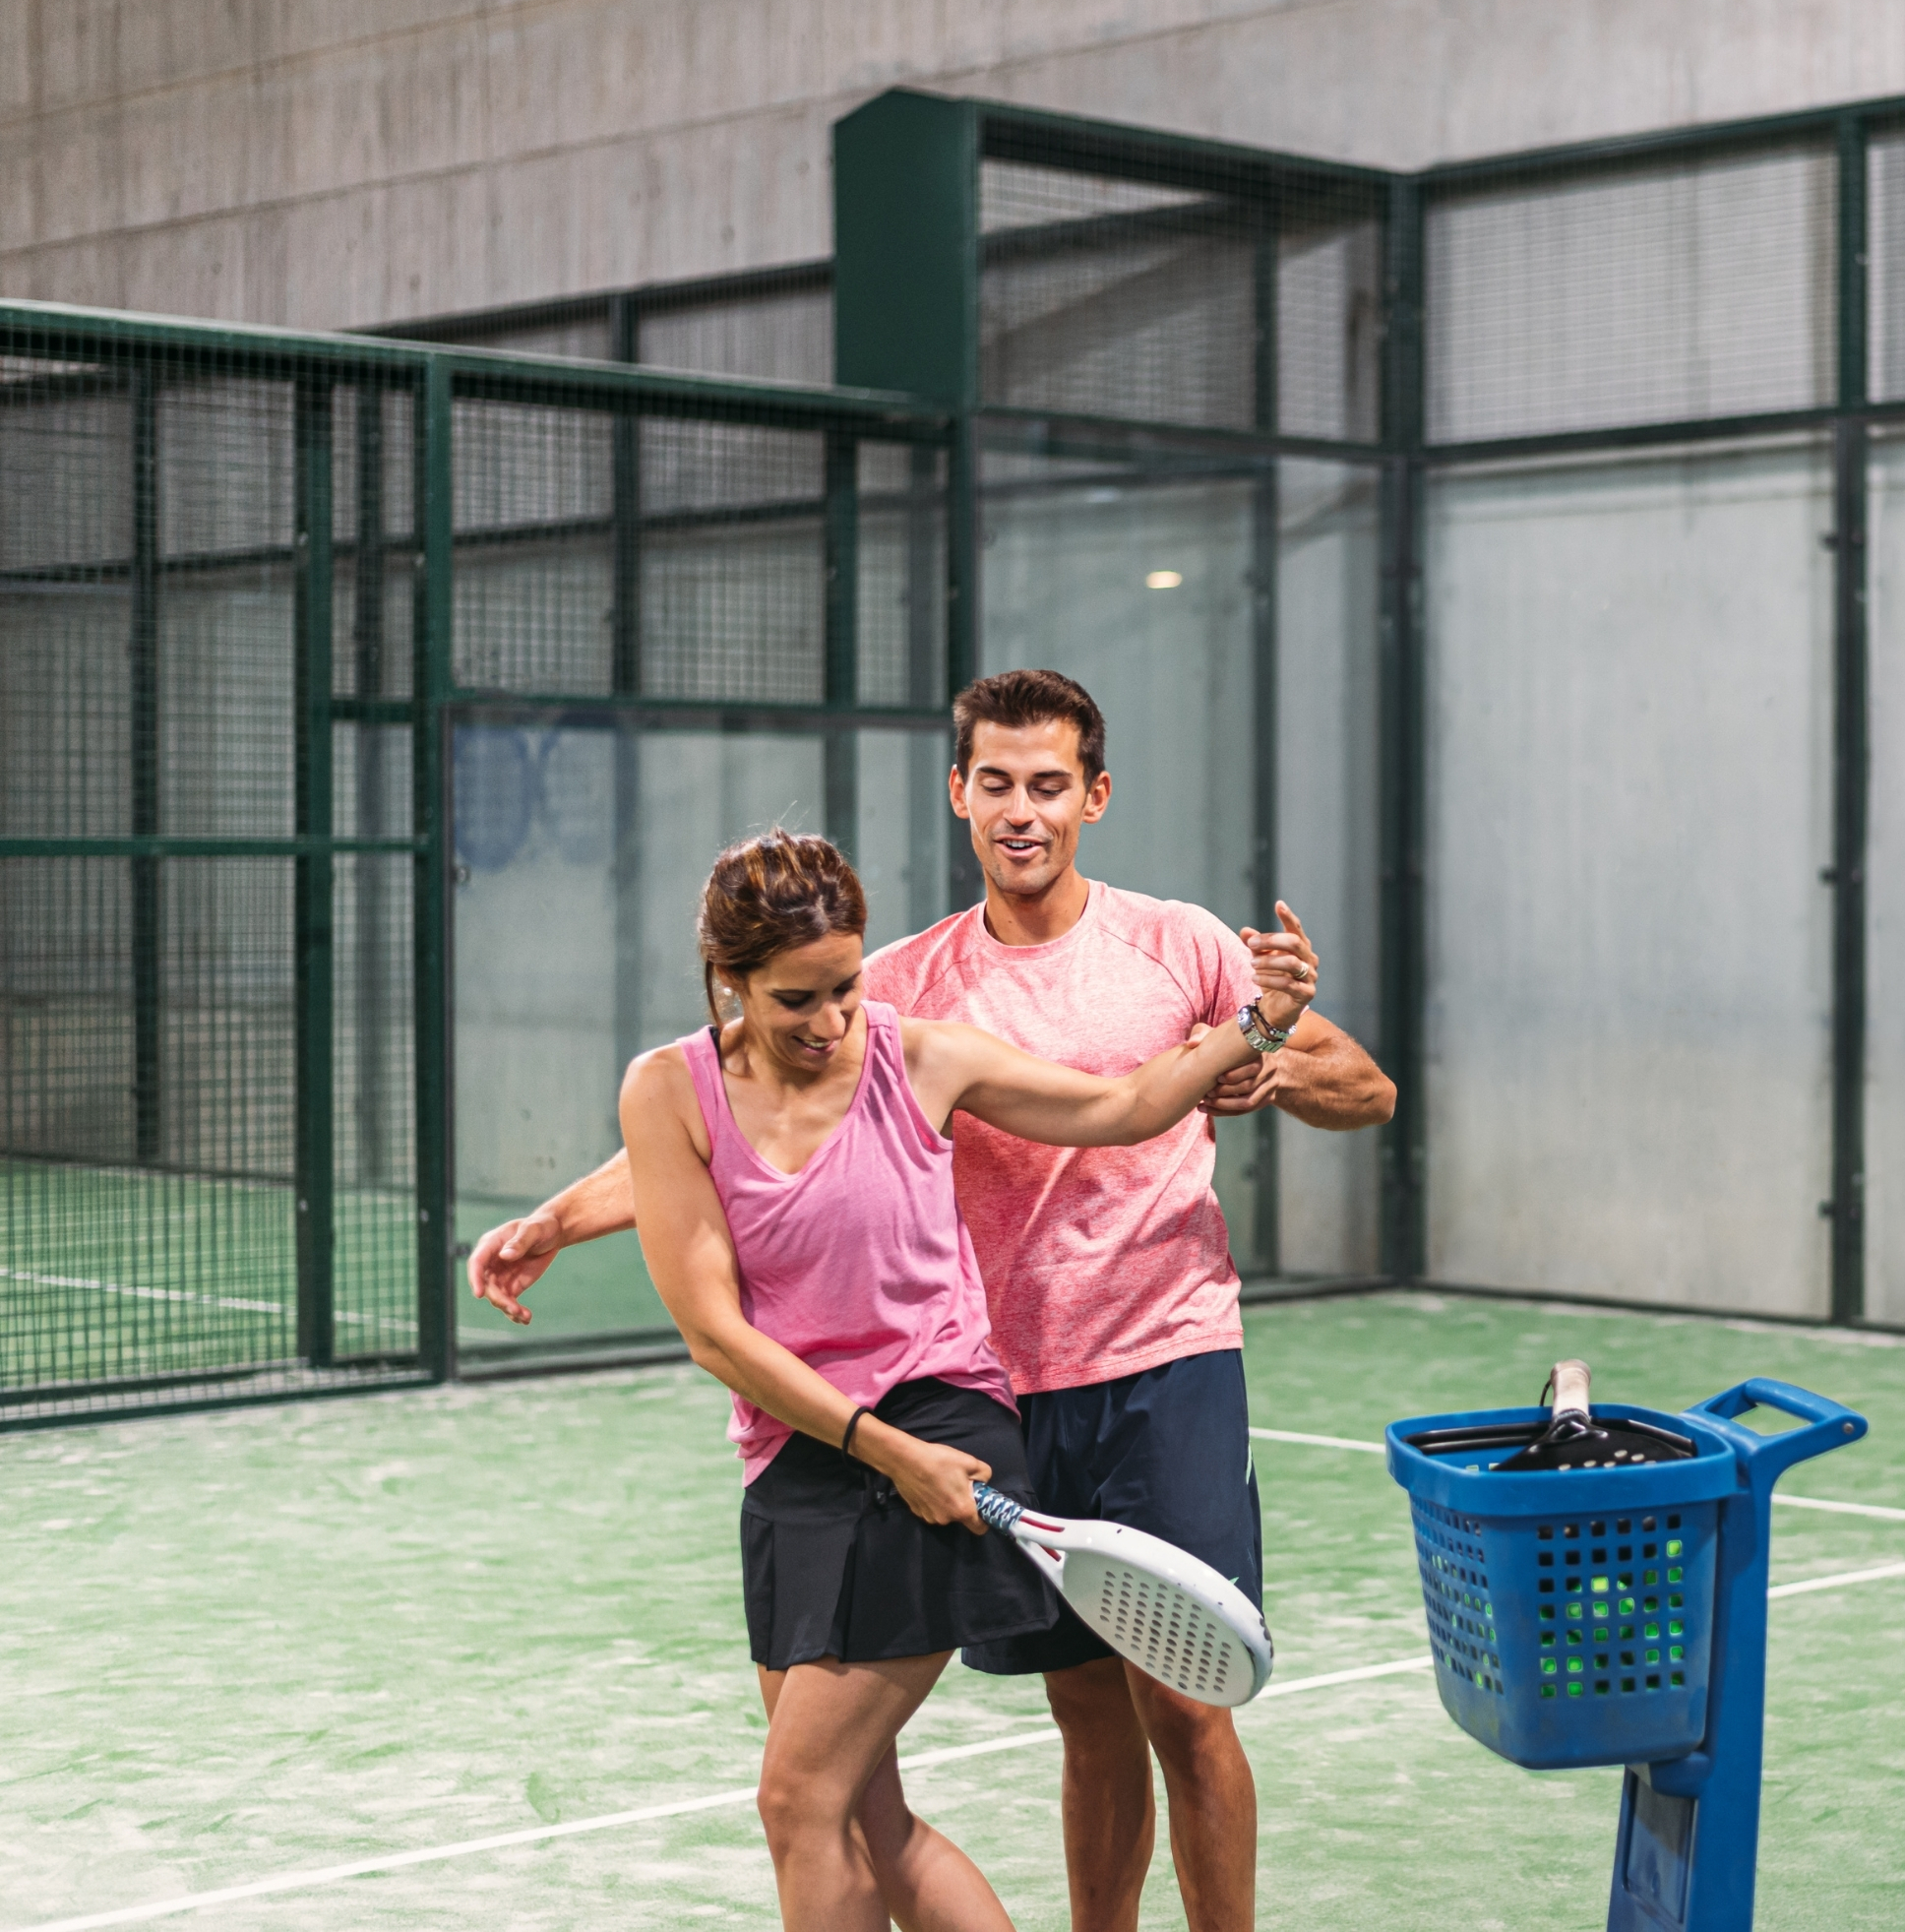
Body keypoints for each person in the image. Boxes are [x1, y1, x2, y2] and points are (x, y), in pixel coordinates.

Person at [470, 670, 1397, 1932]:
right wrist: (559, 1218)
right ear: (960, 793)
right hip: (1007, 1371)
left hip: (1162, 1351)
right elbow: (740, 1132)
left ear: (1093, 795)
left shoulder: (1177, 942)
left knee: (1184, 1702)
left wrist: (1262, 1055)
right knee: (1083, 1708)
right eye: (997, 782)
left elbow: (1360, 1087)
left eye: (1050, 783)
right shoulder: (888, 985)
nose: (1023, 810)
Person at [622, 826, 1317, 1932]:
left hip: (942, 1427)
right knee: (857, 1817)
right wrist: (551, 1221)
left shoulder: (917, 1054)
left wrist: (1252, 1024)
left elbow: (1119, 1107)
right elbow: (714, 1331)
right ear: (729, 984)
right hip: (804, 1452)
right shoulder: (667, 1089)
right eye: (795, 999)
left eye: (845, 986)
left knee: (797, 1795)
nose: (830, 1020)